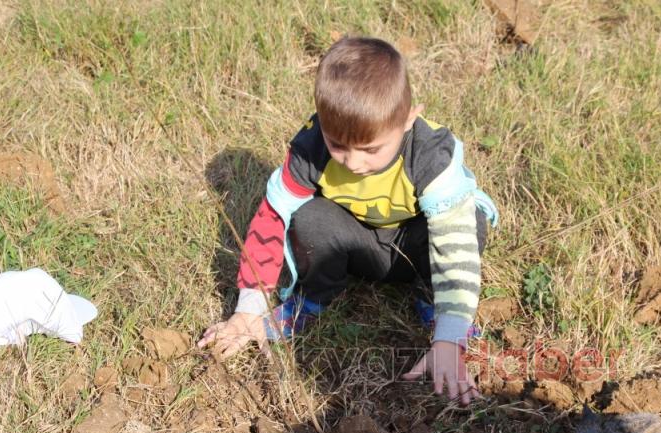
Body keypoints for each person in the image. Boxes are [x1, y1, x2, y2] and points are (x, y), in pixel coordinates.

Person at [198, 36, 498, 405]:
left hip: (419, 245)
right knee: (309, 217)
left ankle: (432, 299)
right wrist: (248, 309)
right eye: (338, 145)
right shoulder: (310, 148)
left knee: (473, 219)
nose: (353, 163)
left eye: (371, 149)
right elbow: (272, 219)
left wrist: (449, 337)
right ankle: (314, 296)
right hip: (357, 246)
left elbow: (454, 242)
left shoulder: (430, 153)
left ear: (408, 120)